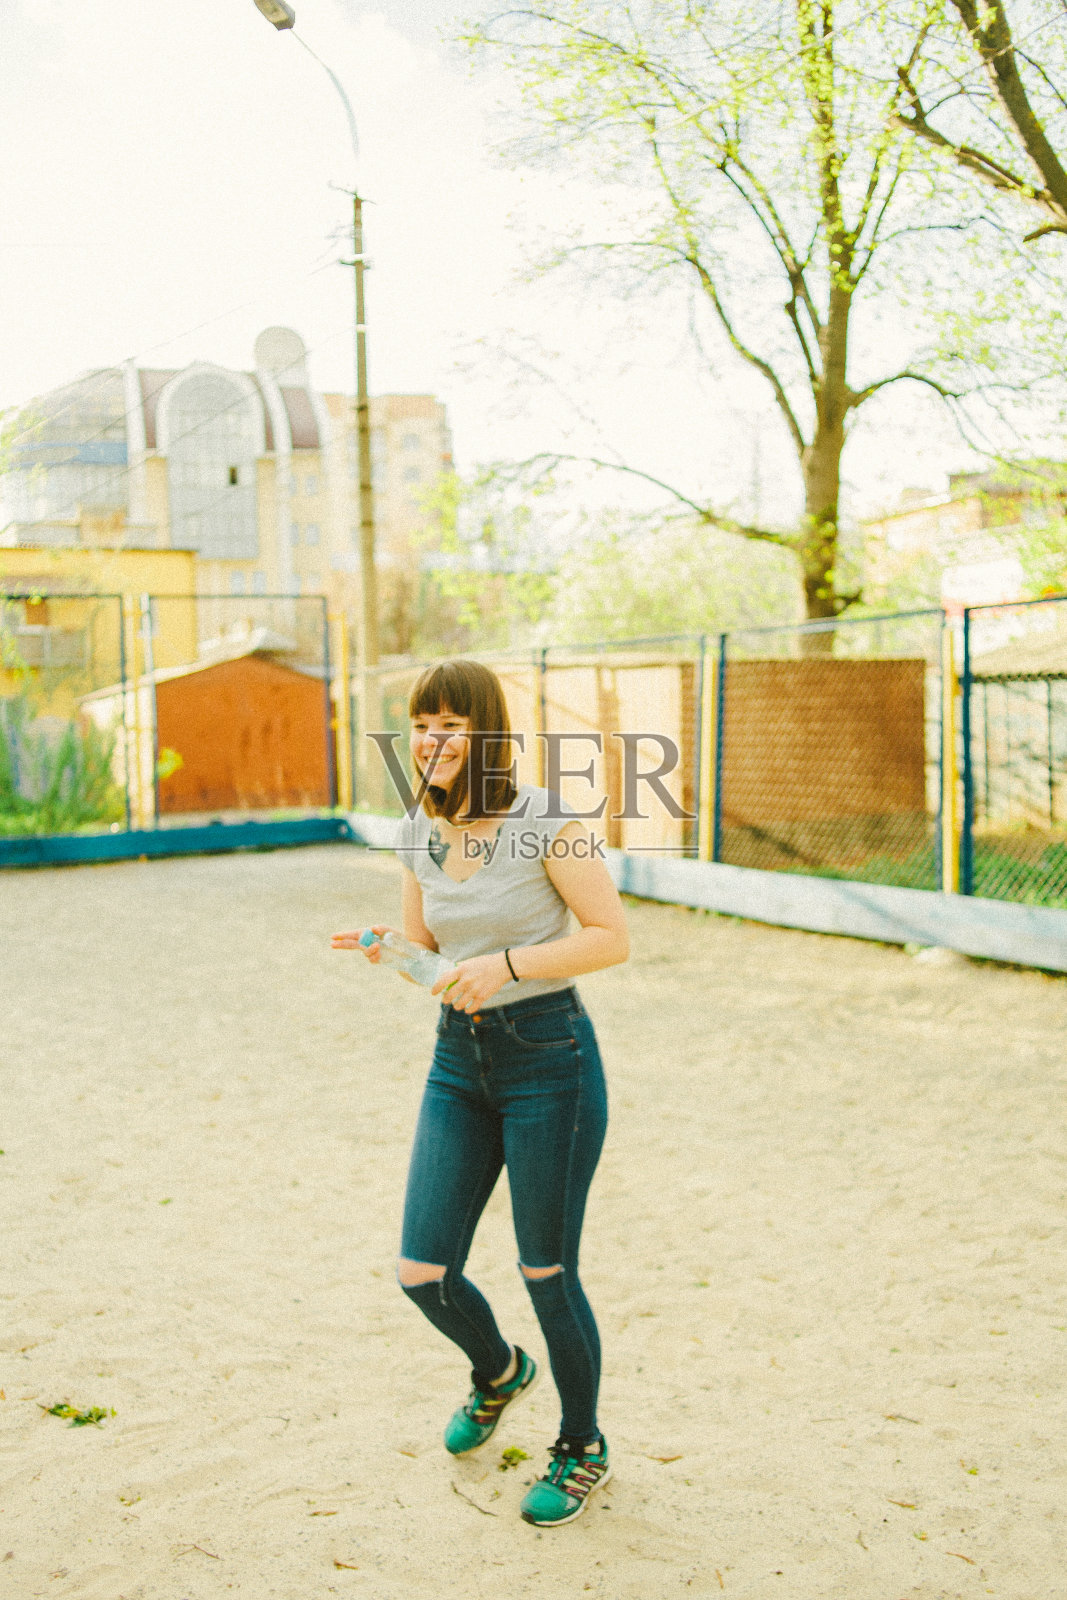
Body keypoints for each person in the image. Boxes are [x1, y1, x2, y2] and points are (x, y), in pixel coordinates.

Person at [333, 658, 629, 1527]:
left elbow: (609, 938)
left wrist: (504, 964)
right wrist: (391, 949)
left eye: (451, 724)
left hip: (550, 1060)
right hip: (457, 1064)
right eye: (422, 723)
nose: (432, 740)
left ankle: (582, 1448)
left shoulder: (545, 819)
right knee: (421, 1271)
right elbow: (433, 959)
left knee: (545, 1268)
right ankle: (500, 1371)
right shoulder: (416, 828)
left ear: (486, 731)